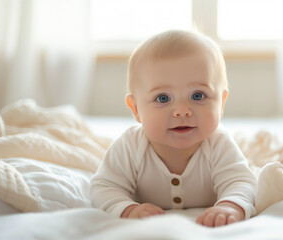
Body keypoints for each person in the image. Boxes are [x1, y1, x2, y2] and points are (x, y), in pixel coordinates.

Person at [90, 30, 257, 227]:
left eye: (198, 96)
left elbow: (242, 182)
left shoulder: (219, 144)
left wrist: (230, 206)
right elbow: (104, 187)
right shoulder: (130, 146)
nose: (182, 111)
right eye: (163, 98)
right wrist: (128, 209)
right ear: (136, 109)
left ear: (221, 103)